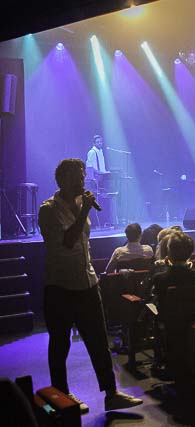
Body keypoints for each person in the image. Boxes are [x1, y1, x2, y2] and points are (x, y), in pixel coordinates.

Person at [38, 159, 142, 413]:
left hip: (87, 281)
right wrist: (84, 211)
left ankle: (111, 394)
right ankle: (61, 397)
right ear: (62, 180)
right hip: (60, 286)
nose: (82, 183)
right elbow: (65, 243)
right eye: (76, 178)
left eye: (83, 177)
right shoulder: (48, 209)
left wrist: (83, 210)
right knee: (60, 344)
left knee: (98, 340)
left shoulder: (79, 204)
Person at [152, 232, 195, 310]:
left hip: (167, 320)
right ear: (190, 254)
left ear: (169, 253)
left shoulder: (159, 278)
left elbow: (157, 303)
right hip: (192, 318)